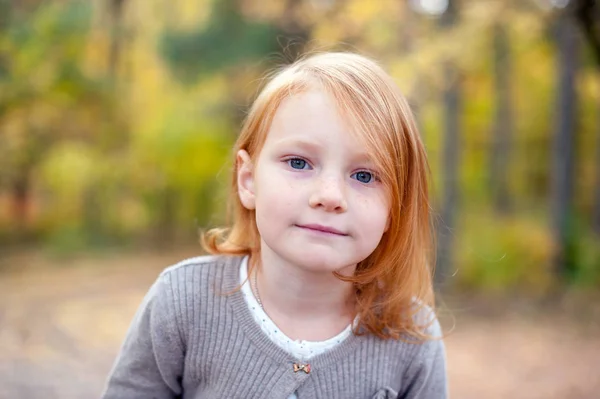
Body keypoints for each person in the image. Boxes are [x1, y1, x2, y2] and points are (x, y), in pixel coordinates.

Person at [102, 51, 448, 399]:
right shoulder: (182, 301)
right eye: (299, 162)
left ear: (394, 208)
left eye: (364, 175)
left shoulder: (411, 337)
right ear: (249, 180)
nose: (330, 196)